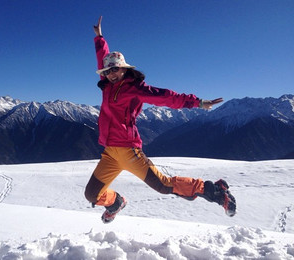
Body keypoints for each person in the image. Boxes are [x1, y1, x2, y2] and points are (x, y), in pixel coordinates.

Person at [85, 16, 236, 224]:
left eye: (115, 69)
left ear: (124, 69)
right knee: (92, 194)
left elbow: (165, 97)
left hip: (129, 151)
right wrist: (99, 37)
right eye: (107, 70)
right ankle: (115, 203)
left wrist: (197, 103)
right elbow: (102, 57)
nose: (111, 74)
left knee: (164, 185)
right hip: (110, 153)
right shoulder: (107, 85)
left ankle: (215, 190)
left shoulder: (134, 88)